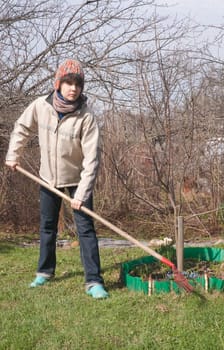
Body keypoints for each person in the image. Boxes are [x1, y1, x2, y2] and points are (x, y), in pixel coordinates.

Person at [5, 59, 108, 299]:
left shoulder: (86, 118)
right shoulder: (40, 106)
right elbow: (21, 128)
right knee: (48, 227)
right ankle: (45, 272)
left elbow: (92, 159)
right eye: (68, 83)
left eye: (78, 84)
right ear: (58, 84)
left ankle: (93, 281)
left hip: (77, 181)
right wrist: (13, 155)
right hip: (47, 179)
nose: (73, 88)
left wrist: (81, 195)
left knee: (85, 230)